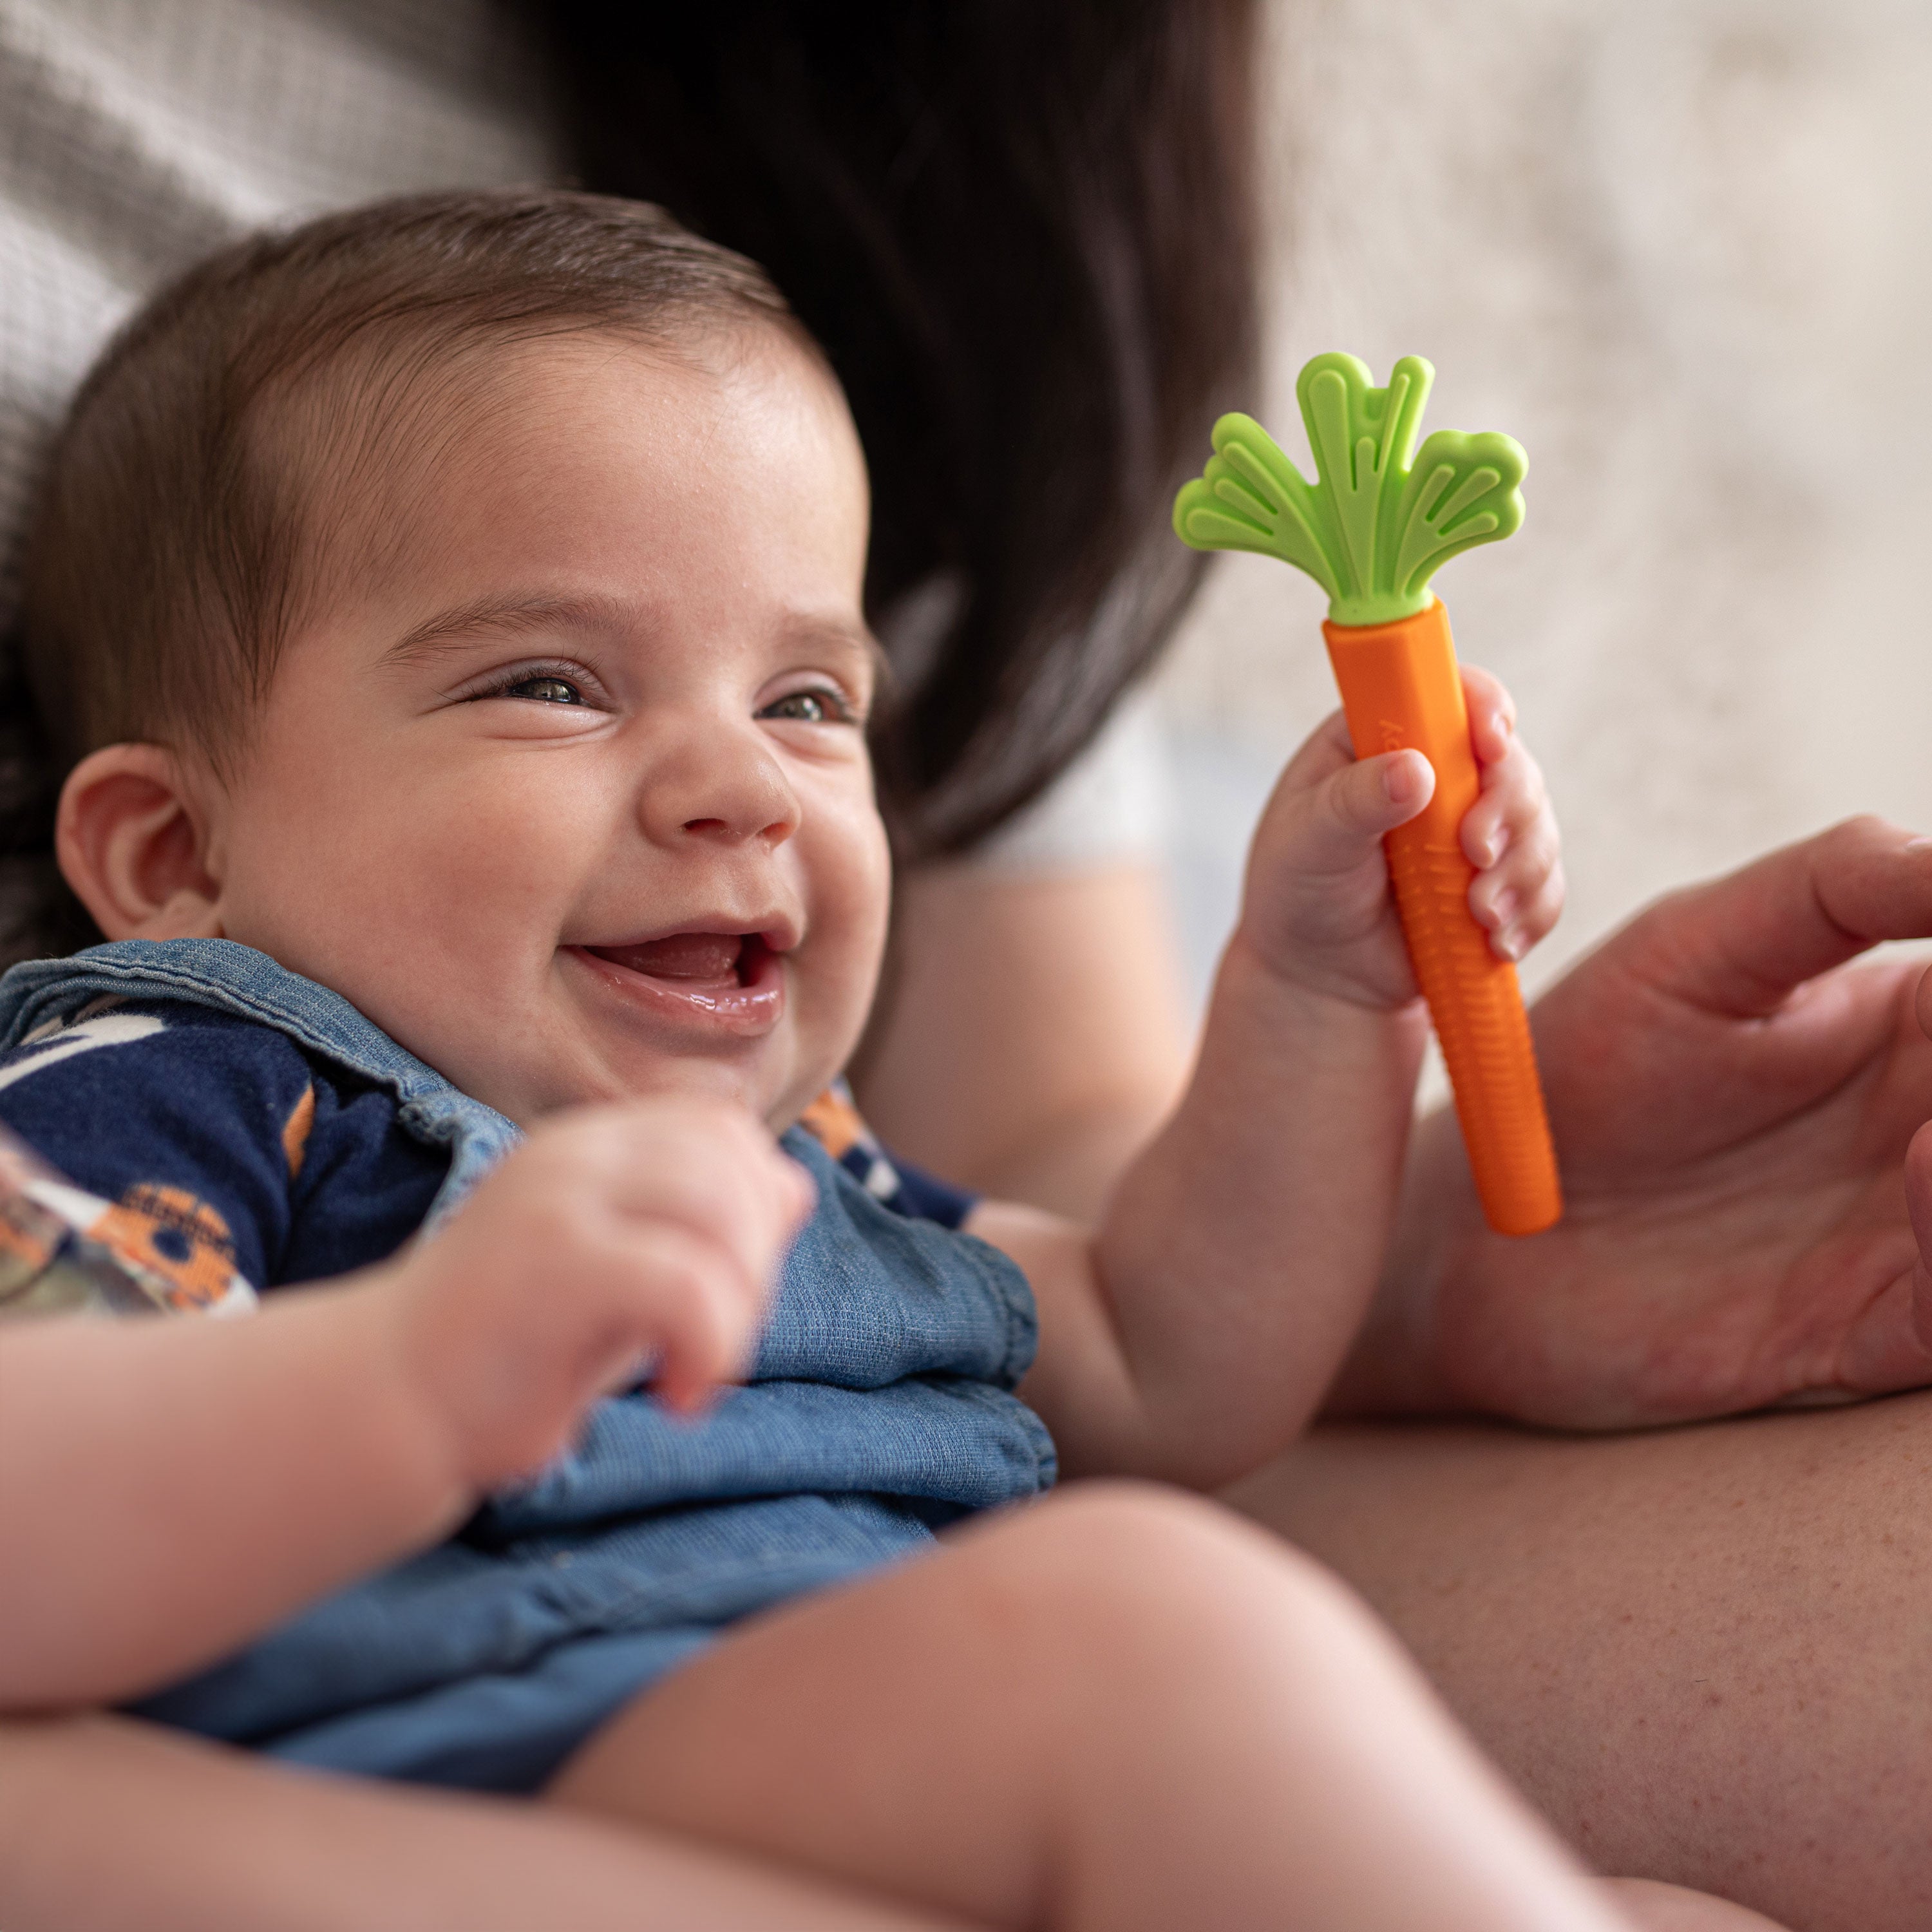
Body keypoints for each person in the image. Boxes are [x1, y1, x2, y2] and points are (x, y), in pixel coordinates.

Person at [3, 184, 1734, 1932]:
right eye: (552, 683)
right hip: (480, 1781)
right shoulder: (195, 1078)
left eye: (808, 703)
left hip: (860, 1792)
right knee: (1140, 1644)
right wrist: (409, 1375)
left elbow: (1171, 1350)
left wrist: (1314, 990)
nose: (740, 785)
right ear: (173, 861)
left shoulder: (820, 1163)